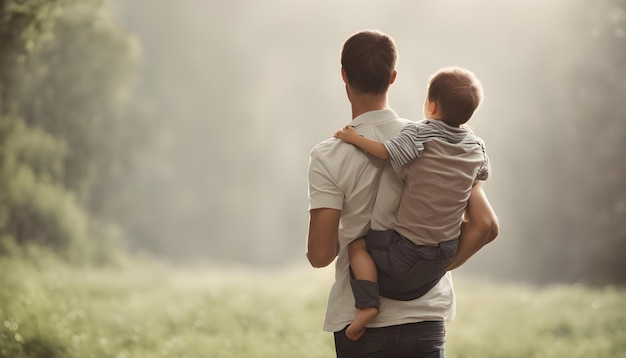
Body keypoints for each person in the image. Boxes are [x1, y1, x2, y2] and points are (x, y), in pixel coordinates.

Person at [306, 29, 499, 357]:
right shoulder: (443, 143)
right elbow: (485, 226)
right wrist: (437, 267)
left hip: (358, 322)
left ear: (344, 75)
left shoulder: (329, 155)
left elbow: (321, 255)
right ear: (393, 77)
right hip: (425, 316)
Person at [332, 66, 490, 339]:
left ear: (431, 106)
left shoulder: (419, 134)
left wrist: (354, 138)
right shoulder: (476, 148)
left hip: (405, 251)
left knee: (357, 246)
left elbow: (385, 153)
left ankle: (367, 306)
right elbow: (481, 175)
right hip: (446, 251)